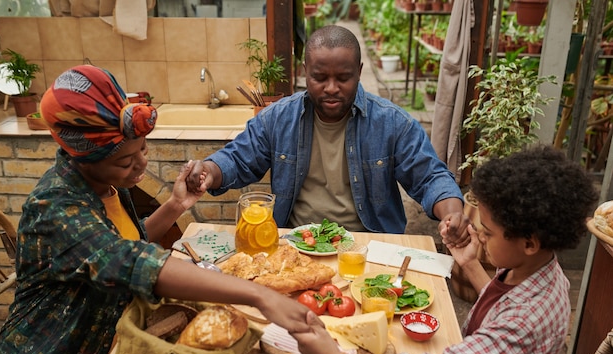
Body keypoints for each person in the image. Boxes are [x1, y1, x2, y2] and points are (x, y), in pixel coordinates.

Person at [0, 65, 310, 354]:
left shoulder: (107, 187)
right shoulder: (55, 208)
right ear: (84, 160)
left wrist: (175, 206)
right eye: (126, 160)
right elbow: (134, 261)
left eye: (142, 149)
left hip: (108, 343)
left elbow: (131, 238)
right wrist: (259, 294)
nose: (141, 164)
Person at [292, 146, 599, 354]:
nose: (478, 235)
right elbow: (500, 304)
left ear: (529, 243)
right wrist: (468, 262)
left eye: (488, 233)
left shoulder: (529, 317)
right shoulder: (534, 268)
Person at [188, 25, 470, 246]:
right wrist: (209, 172)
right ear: (305, 72)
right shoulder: (278, 119)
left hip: (370, 245)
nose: (331, 88)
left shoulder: (392, 123)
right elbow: (237, 159)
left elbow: (430, 176)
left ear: (359, 73)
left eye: (343, 77)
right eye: (320, 77)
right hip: (295, 243)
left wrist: (452, 214)